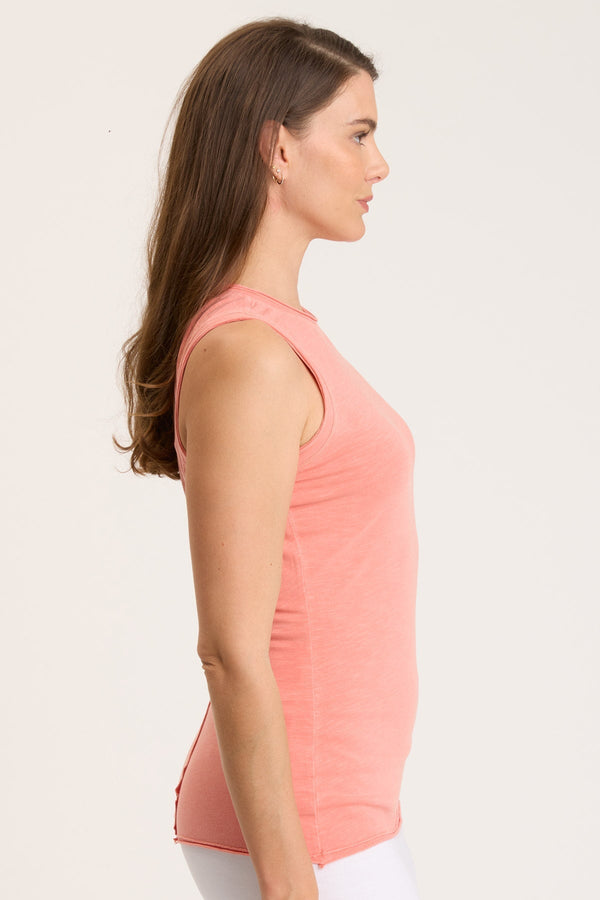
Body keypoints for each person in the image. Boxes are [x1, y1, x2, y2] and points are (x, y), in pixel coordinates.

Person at [115, 17, 421, 900]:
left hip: (336, 817)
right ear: (279, 148)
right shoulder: (247, 356)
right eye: (357, 134)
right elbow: (229, 649)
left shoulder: (279, 341)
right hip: (299, 835)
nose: (379, 164)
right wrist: (289, 884)